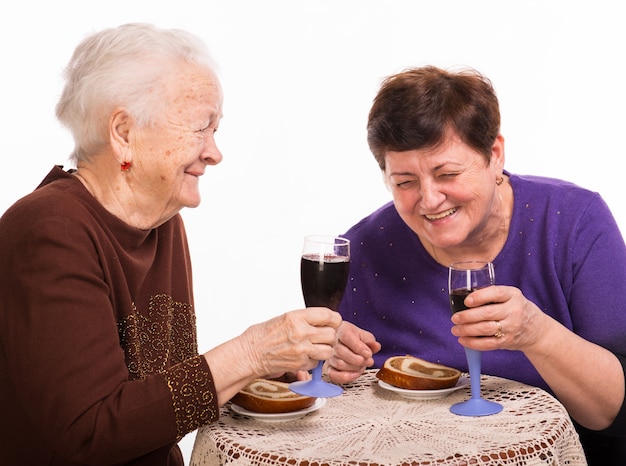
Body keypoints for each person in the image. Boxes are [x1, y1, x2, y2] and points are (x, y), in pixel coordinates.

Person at [0, 23, 379, 466]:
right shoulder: (50, 232)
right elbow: (94, 432)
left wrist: (276, 360)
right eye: (201, 128)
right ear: (123, 131)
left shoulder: (161, 221)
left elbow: (149, 397)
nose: (214, 152)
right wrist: (249, 352)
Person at [335, 65, 626, 464]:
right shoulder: (362, 248)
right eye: (404, 182)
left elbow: (610, 412)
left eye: (447, 173)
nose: (430, 199)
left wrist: (536, 333)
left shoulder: (574, 221)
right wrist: (325, 360)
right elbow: (341, 400)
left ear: (494, 155)